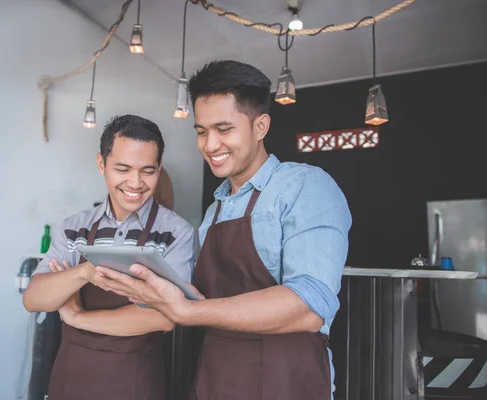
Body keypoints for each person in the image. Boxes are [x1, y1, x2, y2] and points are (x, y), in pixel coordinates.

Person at [96, 61, 352, 400]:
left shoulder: (304, 185)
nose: (210, 145)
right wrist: (153, 288)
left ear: (260, 126)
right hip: (217, 378)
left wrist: (189, 311)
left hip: (285, 384)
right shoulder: (216, 208)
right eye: (201, 132)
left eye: (223, 129)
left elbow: (310, 305)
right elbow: (210, 298)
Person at [23, 114, 195, 400]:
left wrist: (78, 318)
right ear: (101, 164)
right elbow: (34, 299)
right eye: (123, 169)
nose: (136, 182)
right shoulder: (74, 227)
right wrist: (83, 273)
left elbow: (164, 317)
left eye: (148, 171)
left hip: (135, 384)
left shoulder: (175, 232)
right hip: (70, 381)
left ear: (159, 168)